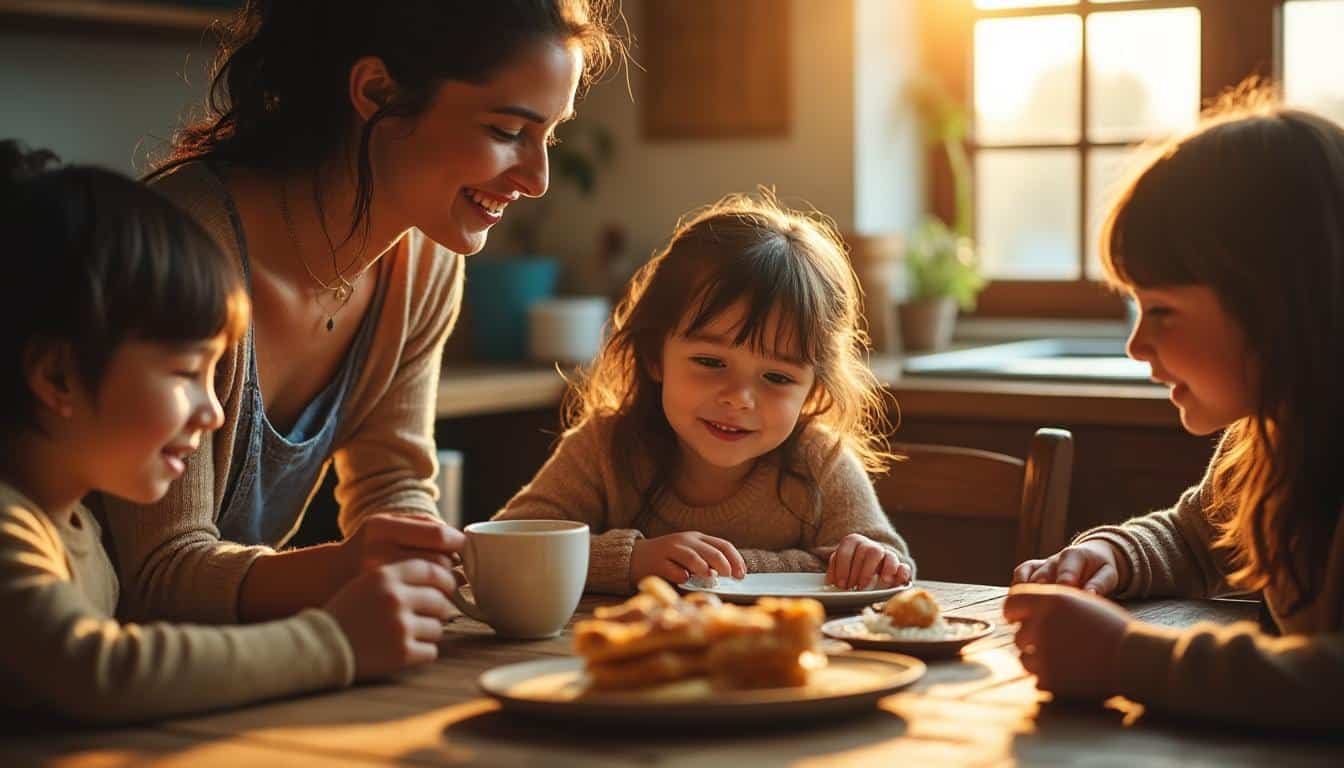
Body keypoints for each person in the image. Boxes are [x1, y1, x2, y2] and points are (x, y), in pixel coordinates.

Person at [101, 1, 622, 625]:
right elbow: (156, 574)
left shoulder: (424, 260)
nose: (538, 179)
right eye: (508, 131)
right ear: (376, 92)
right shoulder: (180, 250)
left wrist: (420, 568)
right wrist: (348, 569)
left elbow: (391, 483)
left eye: (549, 136)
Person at [0, 142, 458, 723]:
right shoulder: (10, 528)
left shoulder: (75, 531)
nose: (214, 412)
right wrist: (335, 641)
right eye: (185, 374)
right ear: (57, 376)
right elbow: (97, 671)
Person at [1004, 86, 1344, 728]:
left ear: (1275, 308)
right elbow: (1194, 538)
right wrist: (1113, 555)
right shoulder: (1269, 438)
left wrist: (1126, 658)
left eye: (1161, 310)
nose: (1136, 345)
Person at [495, 193, 916, 594]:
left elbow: (889, 567)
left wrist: (869, 561)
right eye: (711, 362)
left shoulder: (819, 462)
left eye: (777, 377)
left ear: (812, 390)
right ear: (655, 356)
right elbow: (507, 549)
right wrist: (632, 560)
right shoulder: (604, 448)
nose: (739, 398)